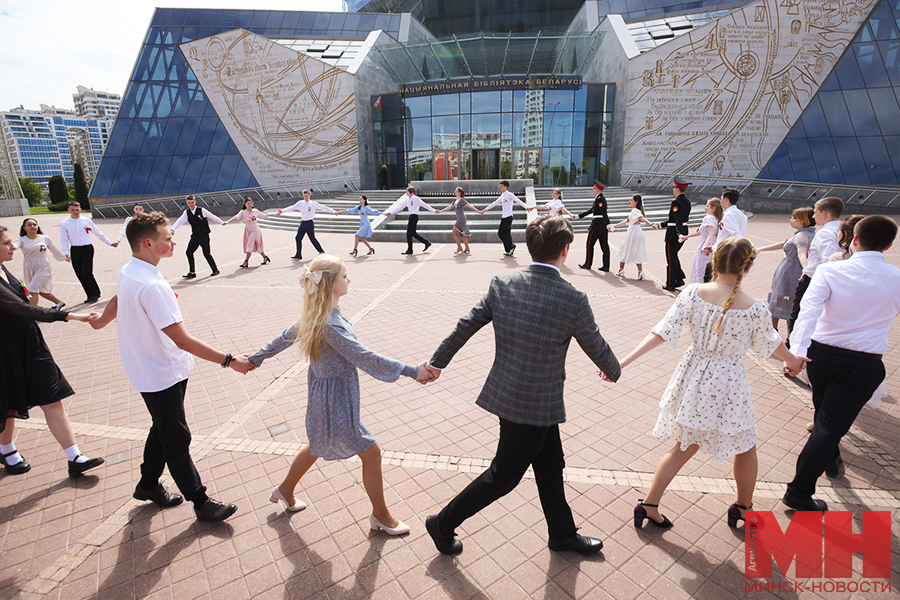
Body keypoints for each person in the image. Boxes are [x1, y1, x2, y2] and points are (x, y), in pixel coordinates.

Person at [422, 216, 621, 556]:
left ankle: (562, 534)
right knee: (504, 475)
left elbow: (466, 325)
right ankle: (442, 522)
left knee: (550, 464)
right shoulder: (572, 298)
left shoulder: (503, 283)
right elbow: (597, 346)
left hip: (517, 396)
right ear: (565, 250)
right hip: (533, 404)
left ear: (530, 247)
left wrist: (437, 362)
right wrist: (613, 370)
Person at [610, 238, 805, 528]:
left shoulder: (692, 293)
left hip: (694, 377)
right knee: (745, 445)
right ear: (748, 267)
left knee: (684, 445)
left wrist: (622, 362)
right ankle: (743, 507)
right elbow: (773, 343)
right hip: (729, 384)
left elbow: (662, 332)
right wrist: (793, 361)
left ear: (716, 260)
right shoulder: (755, 309)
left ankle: (649, 504)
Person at [248, 255, 433, 533]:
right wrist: (411, 370)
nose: (349, 280)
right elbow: (364, 357)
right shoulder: (328, 324)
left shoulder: (318, 315)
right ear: (331, 284)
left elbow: (283, 338)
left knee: (317, 443)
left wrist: (255, 358)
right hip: (335, 397)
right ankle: (381, 516)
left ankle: (285, 490)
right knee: (371, 453)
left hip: (325, 392)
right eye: (344, 276)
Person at [89, 212, 252, 522]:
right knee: (177, 440)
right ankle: (201, 502)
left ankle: (148, 484)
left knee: (162, 427)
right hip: (160, 372)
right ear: (148, 243)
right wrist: (230, 361)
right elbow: (182, 339)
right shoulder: (151, 284)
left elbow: (117, 299)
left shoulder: (133, 270)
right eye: (167, 238)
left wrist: (101, 322)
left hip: (151, 369)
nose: (173, 239)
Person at [783, 215, 900, 511]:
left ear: (854, 240)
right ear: (888, 245)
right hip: (862, 362)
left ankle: (831, 457)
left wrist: (796, 353)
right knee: (829, 425)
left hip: (820, 355)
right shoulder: (896, 277)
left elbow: (807, 312)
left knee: (825, 414)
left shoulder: (829, 270)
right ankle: (798, 491)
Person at [0, 225, 104, 477]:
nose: (13, 246)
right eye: (6, 243)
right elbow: (25, 309)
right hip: (6, 350)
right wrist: (70, 316)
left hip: (31, 344)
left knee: (51, 396)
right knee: (9, 403)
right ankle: (6, 449)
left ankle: (74, 457)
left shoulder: (3, 270)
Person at [787, 197, 843, 336]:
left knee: (799, 317)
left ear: (824, 213)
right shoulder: (843, 230)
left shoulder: (825, 233)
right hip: (834, 280)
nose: (813, 216)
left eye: (815, 212)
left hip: (815, 280)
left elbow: (828, 261)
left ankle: (795, 351)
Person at [756, 207, 816, 329]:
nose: (791, 220)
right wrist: (760, 249)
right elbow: (785, 243)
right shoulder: (808, 234)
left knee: (780, 302)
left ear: (804, 221)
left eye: (795, 218)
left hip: (790, 272)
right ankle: (788, 336)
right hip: (792, 270)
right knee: (791, 304)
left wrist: (806, 270)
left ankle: (774, 331)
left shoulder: (802, 236)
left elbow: (801, 254)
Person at [59, 200, 118, 303]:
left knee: (86, 272)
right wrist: (66, 252)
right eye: (73, 210)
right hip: (75, 249)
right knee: (79, 274)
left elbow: (97, 232)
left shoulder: (86, 221)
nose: (75, 212)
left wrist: (109, 243)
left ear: (80, 209)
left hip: (87, 249)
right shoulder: (64, 223)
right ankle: (89, 295)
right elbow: (64, 239)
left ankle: (95, 293)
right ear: (69, 210)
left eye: (77, 210)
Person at [14, 218, 67, 309]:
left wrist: (64, 257)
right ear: (24, 228)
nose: (33, 227)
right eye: (29, 225)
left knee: (32, 290)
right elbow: (14, 246)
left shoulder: (45, 238)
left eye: (34, 224)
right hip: (29, 266)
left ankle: (31, 313)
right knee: (41, 291)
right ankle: (59, 303)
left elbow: (54, 249)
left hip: (43, 266)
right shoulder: (21, 240)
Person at [652, 178, 692, 290]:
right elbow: (675, 219)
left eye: (674, 187)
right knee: (674, 256)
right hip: (682, 231)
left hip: (674, 234)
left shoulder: (676, 201)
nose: (673, 189)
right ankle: (678, 279)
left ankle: (671, 283)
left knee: (671, 259)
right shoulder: (687, 201)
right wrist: (661, 224)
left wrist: (679, 233)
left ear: (678, 189)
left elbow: (677, 219)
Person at [171, 195, 224, 278]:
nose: (191, 204)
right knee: (189, 252)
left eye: (192, 202)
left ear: (195, 202)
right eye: (189, 203)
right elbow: (180, 221)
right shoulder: (187, 213)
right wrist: (173, 229)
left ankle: (215, 270)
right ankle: (192, 272)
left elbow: (212, 216)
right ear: (187, 203)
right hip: (195, 236)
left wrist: (222, 222)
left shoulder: (202, 210)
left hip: (204, 236)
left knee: (206, 254)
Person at [703, 188, 746, 283]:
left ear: (726, 199)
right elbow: (727, 235)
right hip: (724, 250)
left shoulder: (729, 215)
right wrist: (714, 246)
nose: (721, 201)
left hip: (723, 253)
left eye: (721, 198)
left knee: (710, 278)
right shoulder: (741, 215)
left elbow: (737, 235)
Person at [278, 189, 337, 260]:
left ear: (310, 195)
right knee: (298, 238)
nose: (305, 197)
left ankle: (321, 252)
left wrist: (334, 211)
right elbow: (292, 207)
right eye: (304, 196)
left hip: (309, 223)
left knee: (312, 238)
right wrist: (283, 211)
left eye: (307, 196)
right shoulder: (300, 203)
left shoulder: (313, 204)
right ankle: (298, 254)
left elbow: (323, 207)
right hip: (303, 223)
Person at [679, 198, 722, 284]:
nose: (705, 208)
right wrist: (687, 236)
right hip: (715, 246)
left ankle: (699, 291)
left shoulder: (708, 218)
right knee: (710, 271)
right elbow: (701, 232)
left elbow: (710, 234)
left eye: (707, 206)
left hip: (706, 247)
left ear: (713, 208)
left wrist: (704, 246)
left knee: (700, 271)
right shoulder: (719, 219)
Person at [384, 186, 437, 255]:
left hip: (414, 217)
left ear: (411, 193)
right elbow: (400, 207)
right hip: (411, 217)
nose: (406, 193)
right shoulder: (407, 199)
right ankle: (426, 243)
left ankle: (410, 250)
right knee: (413, 233)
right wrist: (391, 213)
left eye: (407, 192)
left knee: (409, 233)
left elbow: (425, 205)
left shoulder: (416, 198)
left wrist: (434, 210)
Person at [610, 194, 652, 279]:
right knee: (636, 251)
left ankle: (622, 269)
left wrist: (651, 224)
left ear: (636, 202)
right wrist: (613, 226)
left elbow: (642, 218)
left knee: (624, 250)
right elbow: (626, 221)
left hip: (633, 233)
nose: (629, 201)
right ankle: (638, 271)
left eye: (631, 200)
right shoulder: (635, 211)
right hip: (636, 233)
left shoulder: (635, 211)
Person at [223, 197, 273, 268]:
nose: (250, 205)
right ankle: (265, 257)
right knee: (257, 245)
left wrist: (275, 214)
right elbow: (236, 217)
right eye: (248, 203)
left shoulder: (255, 211)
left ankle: (246, 261)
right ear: (245, 204)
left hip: (255, 230)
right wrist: (227, 221)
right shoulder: (243, 212)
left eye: (251, 203)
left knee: (250, 244)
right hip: (248, 230)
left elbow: (264, 215)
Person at [483, 180, 528, 256]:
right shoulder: (502, 195)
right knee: (506, 234)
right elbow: (495, 203)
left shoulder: (509, 194)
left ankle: (511, 246)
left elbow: (518, 200)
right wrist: (485, 209)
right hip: (504, 217)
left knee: (501, 233)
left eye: (501, 186)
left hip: (508, 216)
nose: (500, 187)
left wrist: (527, 207)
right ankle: (508, 250)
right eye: (500, 186)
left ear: (506, 187)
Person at [437, 187, 483, 255]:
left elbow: (469, 205)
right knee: (463, 234)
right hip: (459, 218)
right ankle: (466, 247)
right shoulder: (455, 200)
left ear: (460, 193)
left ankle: (459, 247)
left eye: (456, 191)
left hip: (461, 219)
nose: (455, 192)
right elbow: (449, 207)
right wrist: (440, 211)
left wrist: (478, 211)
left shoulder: (462, 200)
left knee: (454, 232)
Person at [577, 181, 611, 271]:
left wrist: (608, 223)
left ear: (597, 189)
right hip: (602, 225)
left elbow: (603, 211)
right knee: (604, 245)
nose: (593, 190)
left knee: (589, 244)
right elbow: (591, 210)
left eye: (594, 188)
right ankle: (606, 266)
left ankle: (588, 264)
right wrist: (579, 216)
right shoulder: (599, 198)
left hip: (597, 225)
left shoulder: (600, 199)